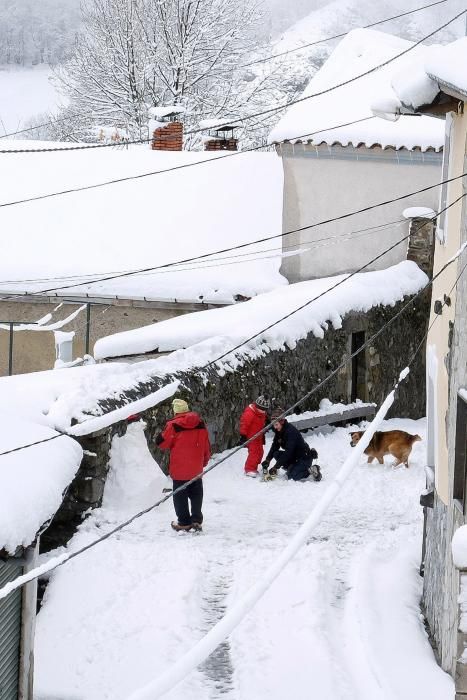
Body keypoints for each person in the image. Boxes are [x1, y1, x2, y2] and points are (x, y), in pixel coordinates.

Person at [155, 398, 211, 532]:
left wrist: (158, 437)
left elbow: (163, 444)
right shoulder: (200, 423)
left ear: (175, 411)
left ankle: (184, 522)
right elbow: (206, 445)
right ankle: (196, 520)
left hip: (179, 469)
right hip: (196, 468)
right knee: (197, 493)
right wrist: (204, 461)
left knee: (180, 495)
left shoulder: (173, 425)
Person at [262, 408, 322, 482]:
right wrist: (267, 460)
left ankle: (312, 469)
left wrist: (275, 467)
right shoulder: (279, 430)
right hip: (294, 457)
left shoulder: (290, 432)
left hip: (304, 458)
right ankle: (292, 467)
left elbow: (288, 452)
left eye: (276, 424)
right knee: (276, 453)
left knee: (293, 476)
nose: (275, 427)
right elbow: (275, 446)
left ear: (282, 422)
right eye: (273, 425)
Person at [238, 395, 270, 477]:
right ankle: (249, 469)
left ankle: (254, 465)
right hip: (251, 437)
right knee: (254, 453)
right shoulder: (250, 413)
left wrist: (267, 422)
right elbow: (244, 424)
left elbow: (263, 419)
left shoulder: (261, 413)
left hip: (258, 436)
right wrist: (243, 436)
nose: (263, 412)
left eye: (265, 410)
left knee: (260, 452)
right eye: (262, 410)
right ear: (257, 406)